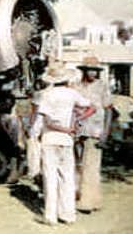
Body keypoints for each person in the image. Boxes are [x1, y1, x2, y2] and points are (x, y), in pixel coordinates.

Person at [33, 62, 93, 225]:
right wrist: (77, 121)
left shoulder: (47, 95)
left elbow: (43, 119)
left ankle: (50, 215)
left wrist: (36, 135)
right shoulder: (72, 94)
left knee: (50, 177)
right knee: (67, 177)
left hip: (50, 137)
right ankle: (68, 214)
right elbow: (90, 106)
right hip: (66, 139)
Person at [73, 56, 112, 213]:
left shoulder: (102, 87)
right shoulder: (76, 86)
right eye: (90, 70)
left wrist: (106, 133)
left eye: (95, 71)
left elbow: (109, 110)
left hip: (95, 130)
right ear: (84, 70)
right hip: (77, 129)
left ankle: (89, 201)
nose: (93, 73)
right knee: (77, 164)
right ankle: (77, 195)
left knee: (92, 165)